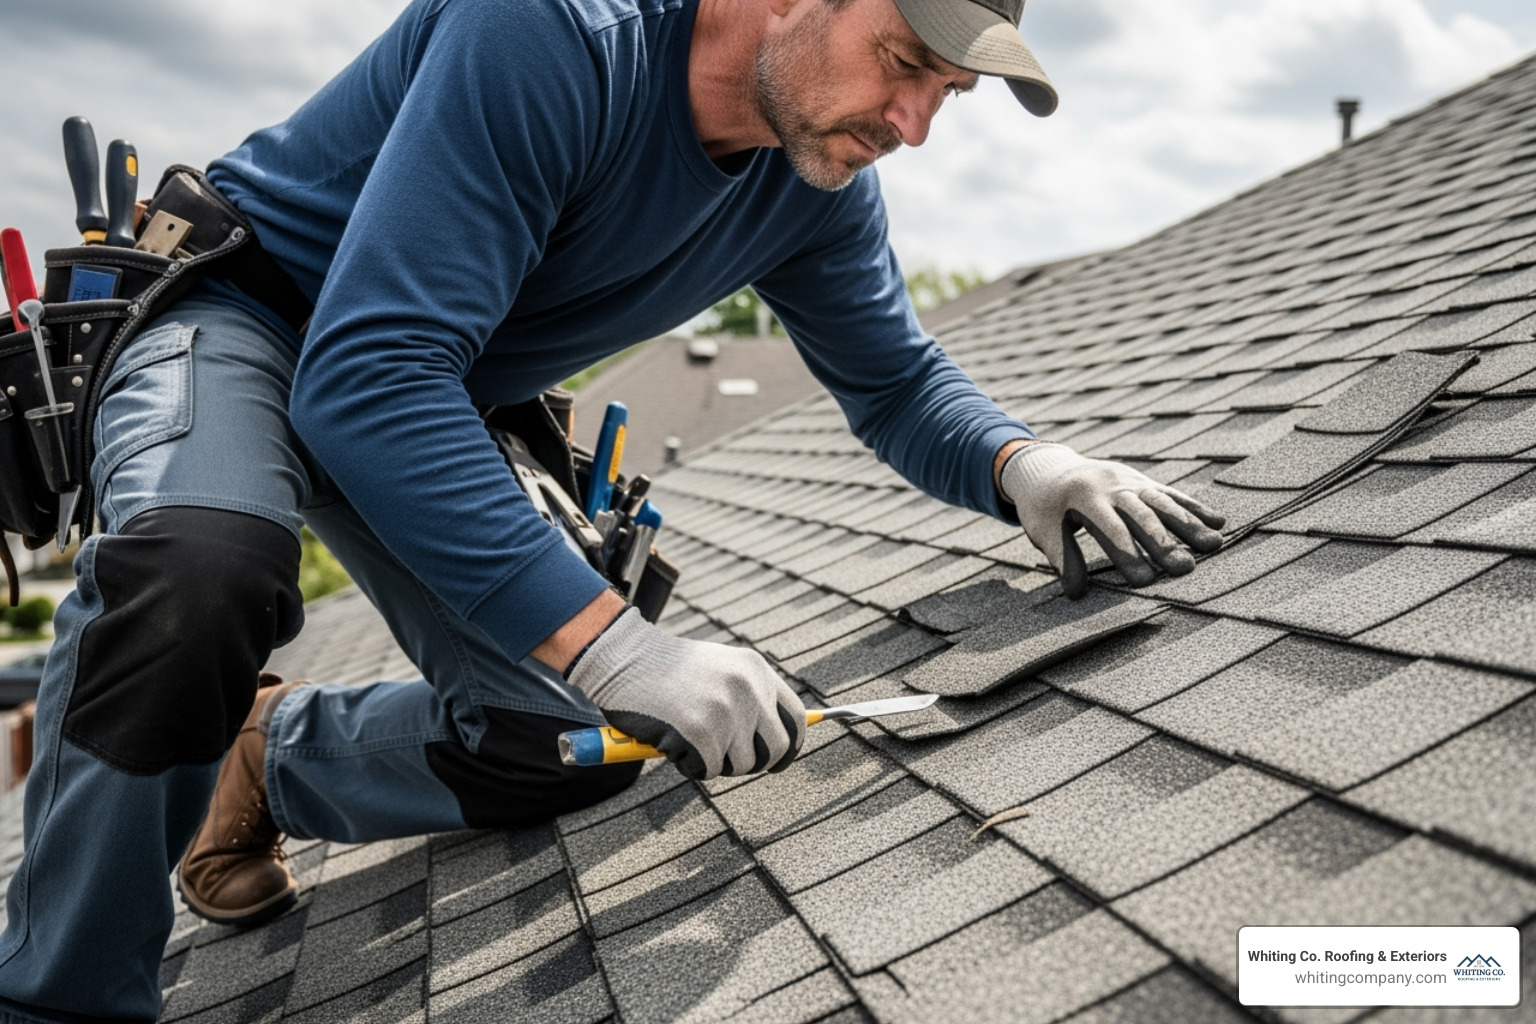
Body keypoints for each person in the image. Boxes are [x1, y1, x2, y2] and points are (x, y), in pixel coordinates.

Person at [0, 0, 1224, 1018]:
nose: (910, 126)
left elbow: (897, 380)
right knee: (200, 571)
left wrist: (1027, 468)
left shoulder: (815, 188)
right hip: (253, 316)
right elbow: (365, 372)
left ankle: (261, 758)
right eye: (904, 65)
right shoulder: (554, 35)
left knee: (562, 740)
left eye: (946, 95)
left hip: (427, 384)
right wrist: (619, 640)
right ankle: (56, 994)